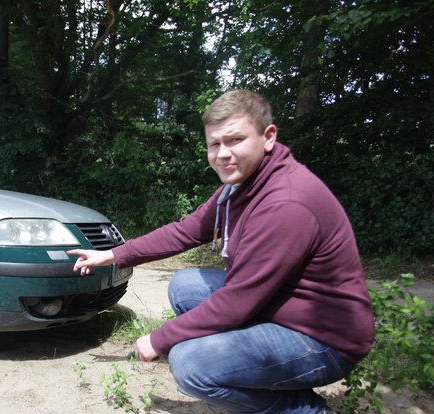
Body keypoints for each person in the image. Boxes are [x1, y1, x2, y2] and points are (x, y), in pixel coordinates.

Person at [69, 90, 374, 414]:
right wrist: (114, 254)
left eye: (235, 140)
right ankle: (245, 369)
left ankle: (304, 409)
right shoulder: (240, 185)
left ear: (268, 137)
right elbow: (187, 230)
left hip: (324, 338)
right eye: (215, 144)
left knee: (190, 364)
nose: (223, 154)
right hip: (282, 307)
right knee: (185, 286)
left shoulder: (285, 203)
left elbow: (237, 302)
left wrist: (161, 338)